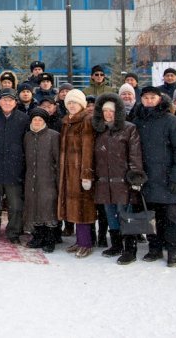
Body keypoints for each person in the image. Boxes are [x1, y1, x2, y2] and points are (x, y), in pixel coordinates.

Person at [132, 86, 176, 267]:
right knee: (150, 216)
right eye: (146, 98)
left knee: (171, 219)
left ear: (160, 99)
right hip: (146, 179)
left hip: (167, 179)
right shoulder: (137, 121)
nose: (149, 101)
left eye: (153, 97)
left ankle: (174, 251)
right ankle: (154, 247)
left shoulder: (172, 121)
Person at [91, 93, 146, 264]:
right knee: (111, 215)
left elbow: (135, 155)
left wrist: (136, 177)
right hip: (104, 182)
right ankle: (115, 244)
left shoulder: (129, 129)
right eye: (105, 111)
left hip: (123, 181)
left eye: (111, 111)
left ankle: (130, 248)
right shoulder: (99, 131)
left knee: (126, 214)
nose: (108, 114)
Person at [0, 88, 30, 244]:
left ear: (16, 102)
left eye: (10, 100)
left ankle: (14, 232)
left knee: (15, 206)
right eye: (4, 100)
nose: (7, 102)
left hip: (14, 169)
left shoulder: (23, 119)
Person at [58, 89, 96, 258]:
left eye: (75, 102)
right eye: (69, 103)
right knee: (74, 208)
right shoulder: (67, 121)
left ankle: (86, 243)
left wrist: (86, 174)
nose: (72, 105)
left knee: (83, 207)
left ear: (81, 104)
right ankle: (80, 240)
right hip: (68, 172)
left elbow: (88, 149)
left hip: (80, 171)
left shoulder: (86, 120)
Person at [23, 108, 59, 253]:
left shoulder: (53, 136)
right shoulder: (27, 136)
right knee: (34, 206)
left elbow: (58, 159)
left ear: (44, 122)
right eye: (34, 120)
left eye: (40, 120)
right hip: (31, 178)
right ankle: (38, 236)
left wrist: (56, 177)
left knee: (48, 207)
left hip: (48, 178)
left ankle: (50, 239)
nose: (37, 122)